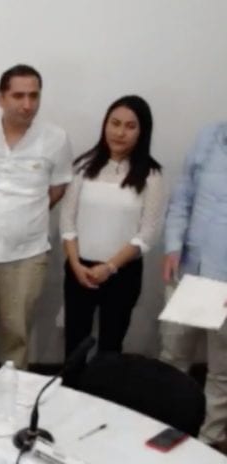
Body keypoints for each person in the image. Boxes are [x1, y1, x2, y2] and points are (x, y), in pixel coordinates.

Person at [0, 64, 73, 368]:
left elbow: (58, 188)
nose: (27, 104)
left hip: (27, 254)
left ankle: (15, 394)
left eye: (34, 96)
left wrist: (24, 217)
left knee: (17, 335)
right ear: (0, 98)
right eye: (18, 96)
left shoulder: (56, 138)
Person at [59, 95, 165, 382]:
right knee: (74, 344)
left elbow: (148, 233)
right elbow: (67, 220)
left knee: (110, 348)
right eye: (114, 123)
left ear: (142, 131)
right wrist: (75, 263)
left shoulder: (151, 175)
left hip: (122, 273)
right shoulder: (83, 166)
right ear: (105, 125)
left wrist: (109, 267)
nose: (120, 132)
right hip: (79, 269)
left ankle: (103, 399)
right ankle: (69, 395)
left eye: (130, 126)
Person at [160, 122, 227, 445]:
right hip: (189, 269)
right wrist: (173, 246)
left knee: (222, 369)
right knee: (173, 354)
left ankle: (209, 439)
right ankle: (165, 426)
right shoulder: (208, 137)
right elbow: (182, 198)